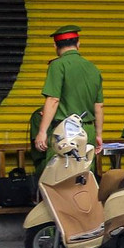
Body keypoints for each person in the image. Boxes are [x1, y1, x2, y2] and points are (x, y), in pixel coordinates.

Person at [34, 25, 104, 154]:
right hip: (88, 132)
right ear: (78, 44)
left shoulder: (57, 65)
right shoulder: (93, 68)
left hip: (64, 131)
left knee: (59, 172)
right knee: (84, 172)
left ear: (55, 46)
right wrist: (98, 135)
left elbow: (53, 99)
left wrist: (42, 132)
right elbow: (98, 106)